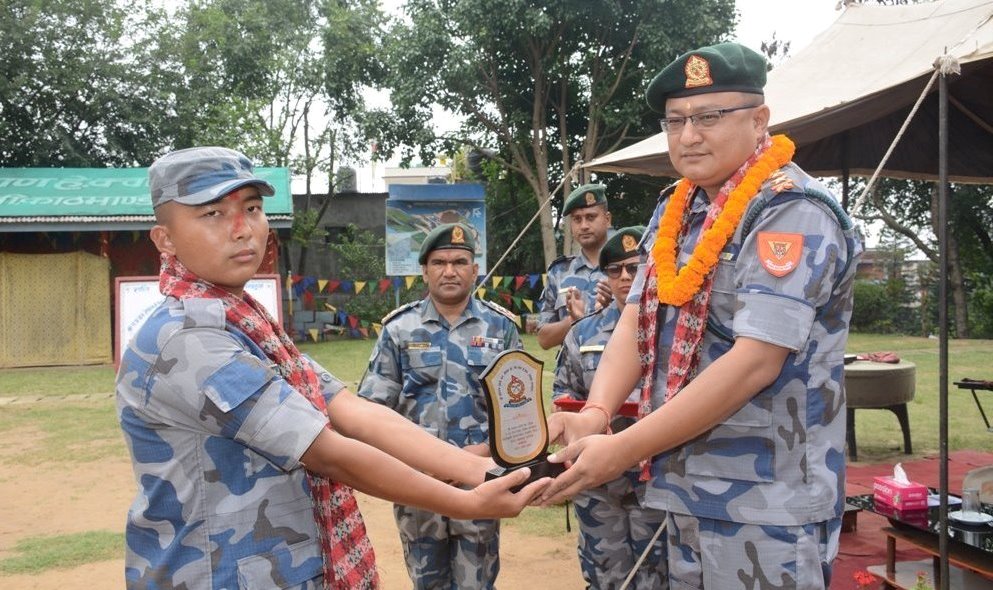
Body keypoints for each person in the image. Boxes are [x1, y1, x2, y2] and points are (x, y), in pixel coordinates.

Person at [116, 147, 547, 590]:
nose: (242, 230)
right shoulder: (188, 336)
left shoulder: (248, 324)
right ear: (164, 239)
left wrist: (485, 473)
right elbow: (327, 450)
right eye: (212, 214)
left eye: (252, 208)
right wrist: (468, 501)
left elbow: (354, 411)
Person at [539, 42, 862, 589]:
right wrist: (597, 413)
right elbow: (637, 319)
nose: (689, 136)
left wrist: (622, 448)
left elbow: (756, 362)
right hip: (684, 486)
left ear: (760, 120)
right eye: (675, 121)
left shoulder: (790, 210)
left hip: (768, 500)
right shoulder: (677, 208)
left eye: (710, 117)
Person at [357, 222, 521, 590]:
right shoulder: (399, 330)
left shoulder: (501, 329)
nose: (450, 270)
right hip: (419, 485)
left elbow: (519, 417)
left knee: (477, 584)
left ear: (475, 269)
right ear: (425, 270)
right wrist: (421, 462)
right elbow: (371, 412)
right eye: (439, 262)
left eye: (460, 261)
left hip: (479, 482)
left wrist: (471, 460)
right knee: (427, 583)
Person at [552, 226, 667, 590]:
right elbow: (563, 391)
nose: (625, 278)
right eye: (615, 270)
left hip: (657, 477)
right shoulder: (582, 333)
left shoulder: (672, 329)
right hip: (599, 483)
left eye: (635, 268)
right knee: (606, 575)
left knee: (659, 576)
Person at [536, 183, 613, 350]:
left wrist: (613, 310)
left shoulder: (626, 268)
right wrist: (573, 320)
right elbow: (543, 339)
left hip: (616, 371)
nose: (584, 225)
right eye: (577, 219)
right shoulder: (559, 272)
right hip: (571, 374)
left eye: (591, 217)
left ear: (607, 220)